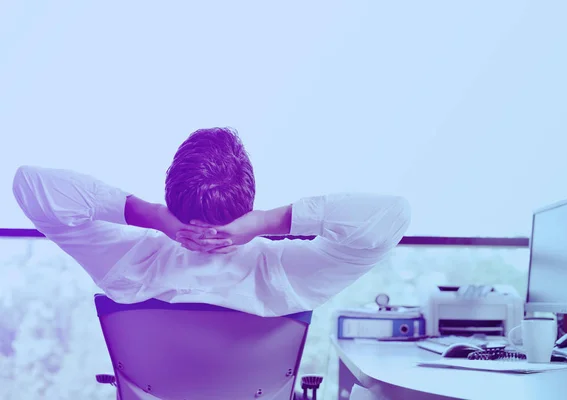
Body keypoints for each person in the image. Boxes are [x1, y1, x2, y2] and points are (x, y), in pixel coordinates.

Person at [12, 127, 411, 316]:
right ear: (249, 200)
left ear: (172, 199)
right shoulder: (285, 277)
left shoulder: (131, 267)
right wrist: (267, 222)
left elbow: (31, 186)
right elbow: (391, 217)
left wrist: (151, 216)